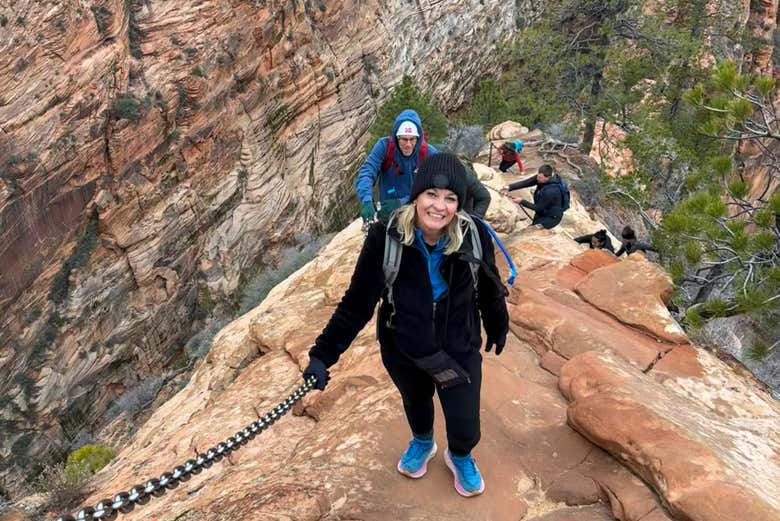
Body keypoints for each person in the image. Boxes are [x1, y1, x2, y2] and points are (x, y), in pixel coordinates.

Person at [304, 153, 509, 497]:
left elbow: (489, 284)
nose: (439, 206)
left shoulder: (472, 234)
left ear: (459, 204)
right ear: (416, 195)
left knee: (465, 421)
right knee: (416, 402)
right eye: (431, 194)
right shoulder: (386, 237)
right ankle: (423, 441)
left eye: (450, 198)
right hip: (405, 347)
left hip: (458, 345)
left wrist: (497, 323)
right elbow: (357, 303)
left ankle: (459, 454)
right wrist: (323, 355)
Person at [355, 109, 439, 223]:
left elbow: (436, 187)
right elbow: (367, 172)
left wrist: (402, 203)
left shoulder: (428, 154)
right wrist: (366, 201)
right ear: (397, 137)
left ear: (418, 138)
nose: (408, 144)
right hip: (387, 213)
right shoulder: (384, 147)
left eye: (412, 139)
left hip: (417, 212)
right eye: (404, 139)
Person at [500, 164, 565, 229]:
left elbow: (538, 207)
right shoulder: (541, 178)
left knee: (531, 230)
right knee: (532, 226)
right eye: (538, 176)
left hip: (550, 218)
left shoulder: (551, 191)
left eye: (540, 178)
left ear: (548, 177)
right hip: (541, 213)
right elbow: (525, 183)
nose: (537, 179)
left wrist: (522, 201)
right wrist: (509, 187)